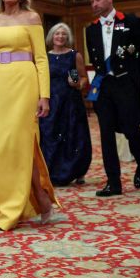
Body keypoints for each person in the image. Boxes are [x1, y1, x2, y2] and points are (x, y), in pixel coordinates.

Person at [0, 0, 59, 231]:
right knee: (1, 148)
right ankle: (31, 202)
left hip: (25, 83)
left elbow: (41, 59)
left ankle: (14, 211)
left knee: (22, 145)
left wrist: (44, 95)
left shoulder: (32, 18)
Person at [85, 0, 140, 196]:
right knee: (106, 134)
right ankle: (113, 182)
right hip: (104, 86)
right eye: (92, 1)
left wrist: (135, 77)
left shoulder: (131, 22)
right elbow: (95, 59)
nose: (94, 4)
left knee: (131, 129)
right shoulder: (91, 29)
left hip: (125, 84)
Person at [39, 23, 92, 186]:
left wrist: (77, 84)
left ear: (67, 37)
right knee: (50, 135)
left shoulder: (75, 55)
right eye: (57, 33)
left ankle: (77, 171)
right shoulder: (44, 57)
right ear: (51, 37)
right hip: (51, 102)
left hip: (71, 102)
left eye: (64, 34)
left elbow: (83, 77)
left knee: (74, 136)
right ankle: (52, 172)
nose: (60, 36)